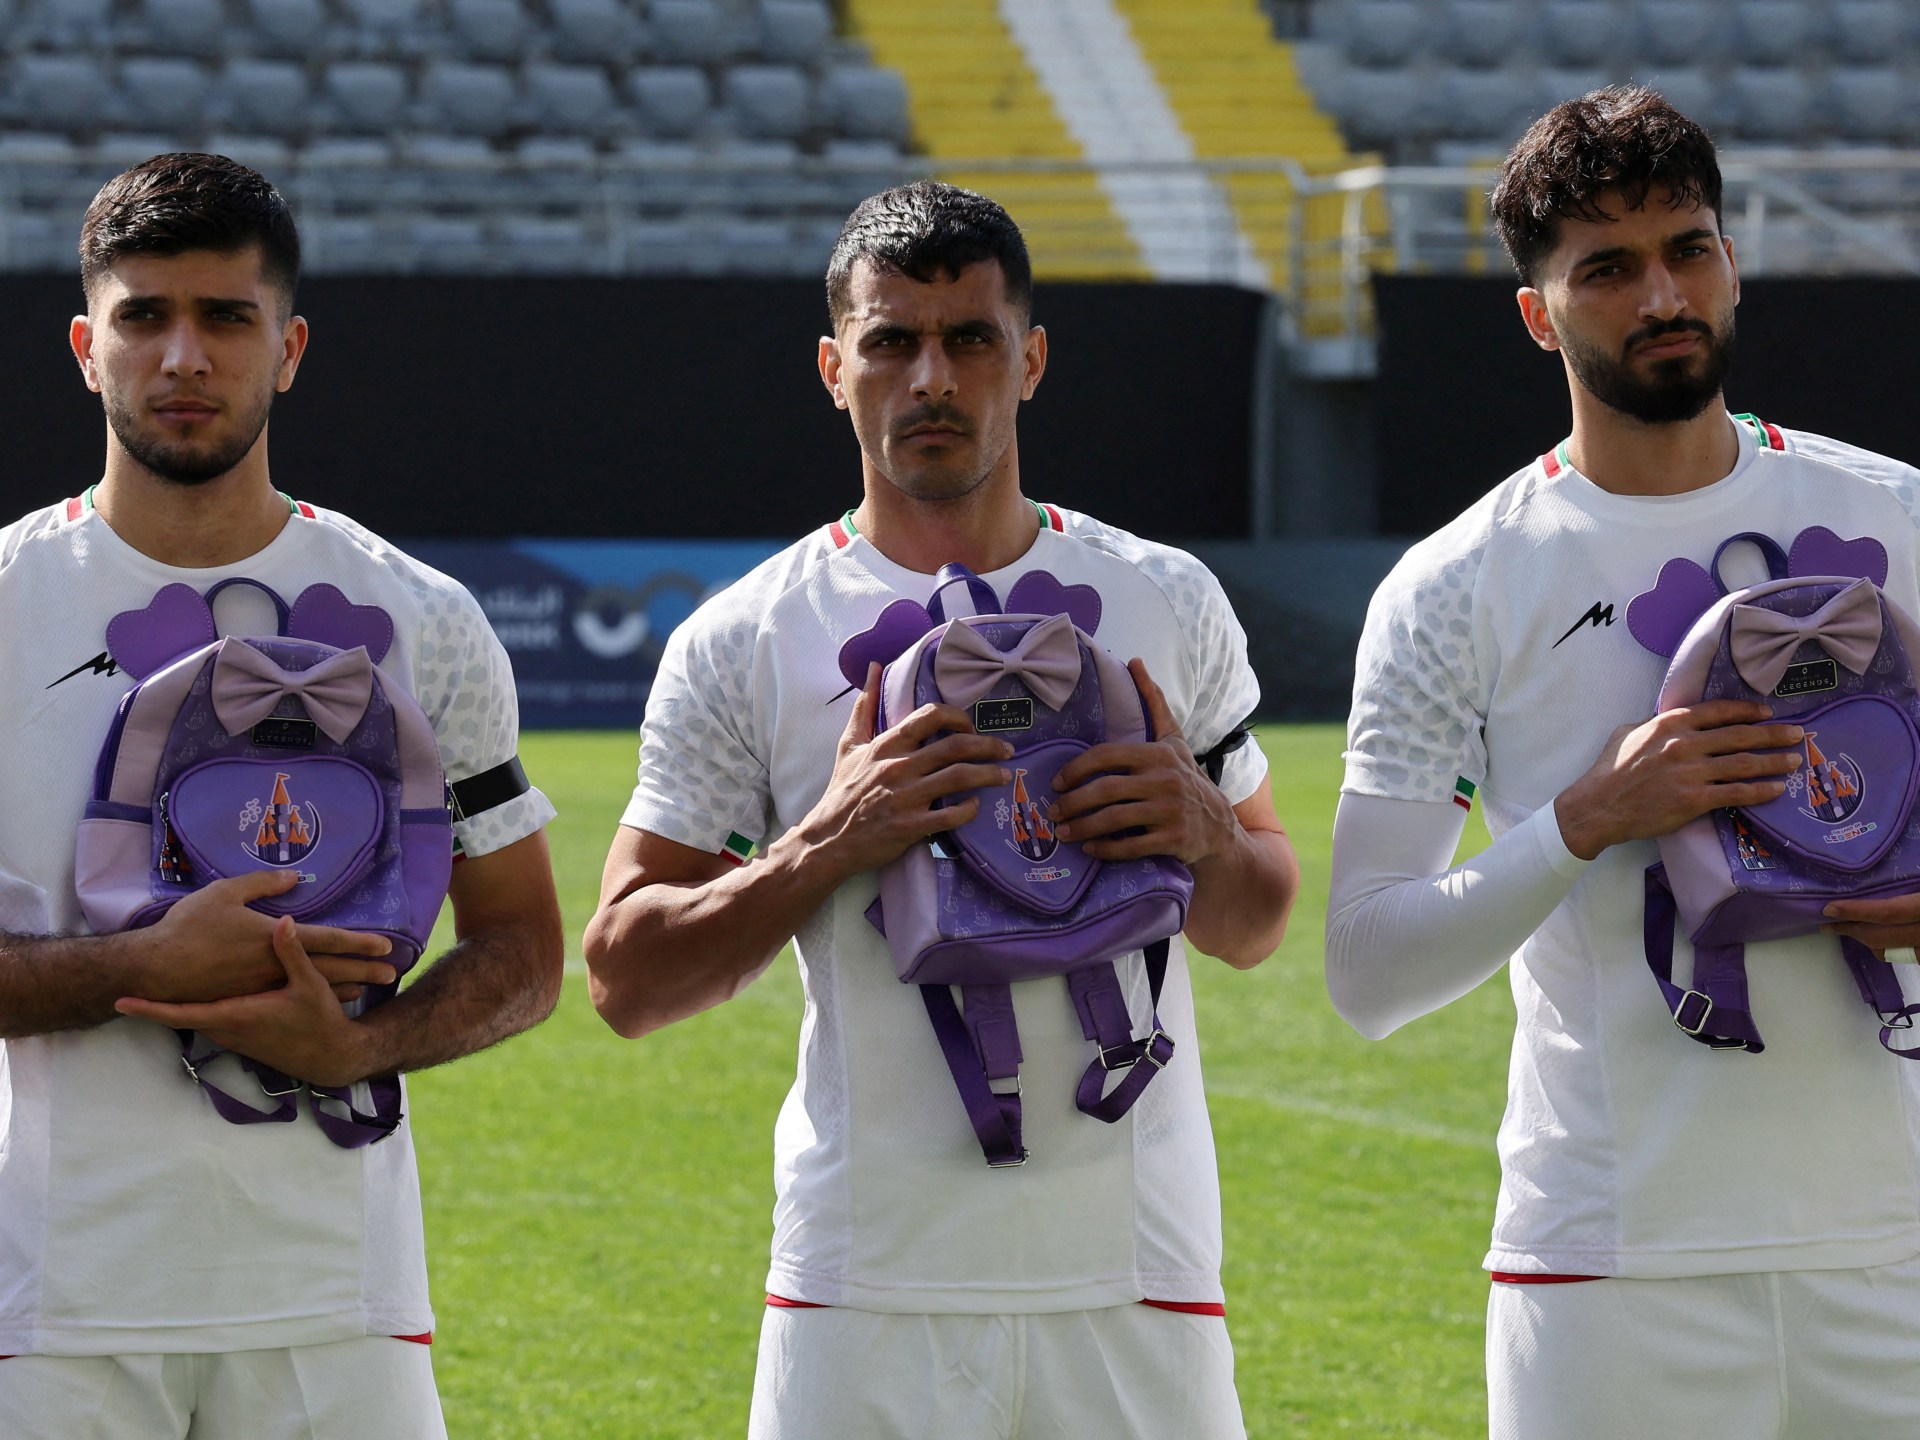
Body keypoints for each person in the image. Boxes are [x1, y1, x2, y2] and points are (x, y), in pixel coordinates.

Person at [584, 180, 1298, 1439]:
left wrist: (1201, 831)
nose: (931, 378)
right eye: (891, 340)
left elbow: (1259, 918)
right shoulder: (743, 635)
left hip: (1133, 1272)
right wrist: (824, 844)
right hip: (863, 1281)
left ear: (1028, 360)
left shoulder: (1161, 596)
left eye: (969, 340)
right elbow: (626, 978)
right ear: (833, 365)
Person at [1327, 87, 1920, 1439]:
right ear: (1540, 313)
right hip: (1607, 1266)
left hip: (1897, 1255)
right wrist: (1585, 820)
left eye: (1688, 250)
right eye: (1606, 268)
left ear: (1730, 257)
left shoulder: (1894, 513)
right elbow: (1366, 970)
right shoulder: (1454, 588)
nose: (1662, 293)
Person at [0, 153, 563, 1438]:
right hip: (49, 1311)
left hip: (334, 1310)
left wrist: (365, 1045)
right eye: (144, 317)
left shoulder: (423, 615)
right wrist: (133, 966)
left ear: (289, 346)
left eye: (226, 318)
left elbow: (527, 950)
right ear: (88, 346)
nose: (183, 357)